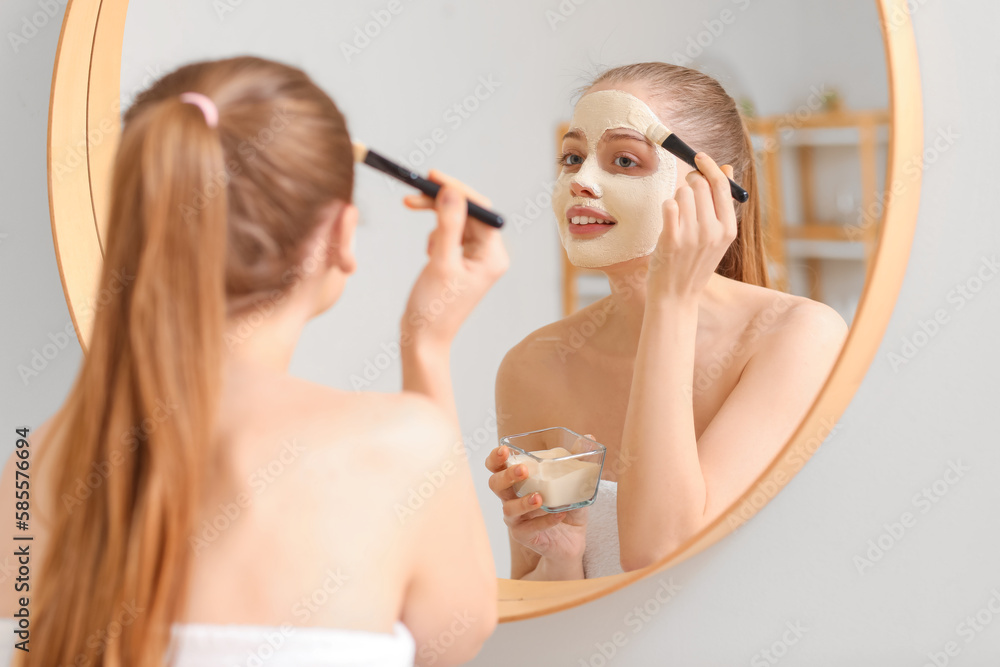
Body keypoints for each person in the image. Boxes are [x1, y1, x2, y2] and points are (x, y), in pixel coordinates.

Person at [0, 55, 506, 666]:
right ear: (340, 235)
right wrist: (426, 346)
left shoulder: (35, 465)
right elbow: (458, 633)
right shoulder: (401, 447)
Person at [486, 62, 848, 580]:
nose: (581, 182)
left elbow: (661, 555)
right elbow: (542, 603)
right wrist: (559, 557)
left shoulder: (797, 337)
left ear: (714, 191)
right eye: (572, 157)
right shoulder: (534, 366)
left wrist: (670, 301)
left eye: (625, 160)